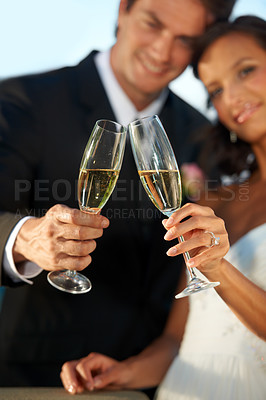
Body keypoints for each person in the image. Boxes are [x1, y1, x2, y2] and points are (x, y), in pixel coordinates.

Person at [0, 0, 236, 393]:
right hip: (40, 378)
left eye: (184, 40)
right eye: (152, 24)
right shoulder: (26, 100)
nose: (162, 52)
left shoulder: (202, 137)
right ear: (123, 11)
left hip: (158, 383)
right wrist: (26, 237)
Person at [60, 16, 266, 399]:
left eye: (246, 71)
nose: (232, 97)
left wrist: (219, 269)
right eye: (216, 89)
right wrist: (121, 373)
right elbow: (177, 340)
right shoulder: (215, 200)